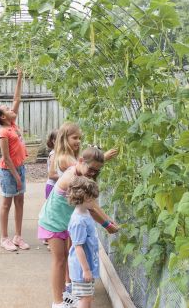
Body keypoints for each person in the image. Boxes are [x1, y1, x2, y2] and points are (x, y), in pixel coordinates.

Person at [38, 147, 119, 308]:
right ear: (81, 161)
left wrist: (103, 157)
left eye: (97, 171)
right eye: (91, 169)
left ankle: (67, 294)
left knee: (68, 256)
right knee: (59, 260)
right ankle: (58, 302)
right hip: (52, 221)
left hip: (66, 222)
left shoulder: (80, 169)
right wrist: (107, 225)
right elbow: (91, 207)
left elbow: (90, 164)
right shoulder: (72, 179)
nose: (93, 173)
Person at [0, 67, 30, 252]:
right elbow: (6, 158)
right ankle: (4, 238)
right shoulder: (3, 132)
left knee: (20, 202)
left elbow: (17, 99)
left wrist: (20, 77)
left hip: (19, 168)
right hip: (9, 171)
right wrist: (16, 177)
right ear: (2, 117)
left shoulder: (12, 124)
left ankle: (18, 237)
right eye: (6, 109)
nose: (10, 107)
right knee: (7, 203)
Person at [66, 176, 100, 308]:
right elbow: (78, 247)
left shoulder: (86, 213)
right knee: (85, 299)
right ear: (85, 198)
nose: (95, 201)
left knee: (87, 297)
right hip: (81, 269)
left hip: (87, 266)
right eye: (93, 198)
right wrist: (86, 270)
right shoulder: (78, 221)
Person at [46, 129, 59, 199]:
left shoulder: (59, 154)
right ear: (54, 141)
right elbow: (51, 175)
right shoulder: (53, 155)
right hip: (52, 187)